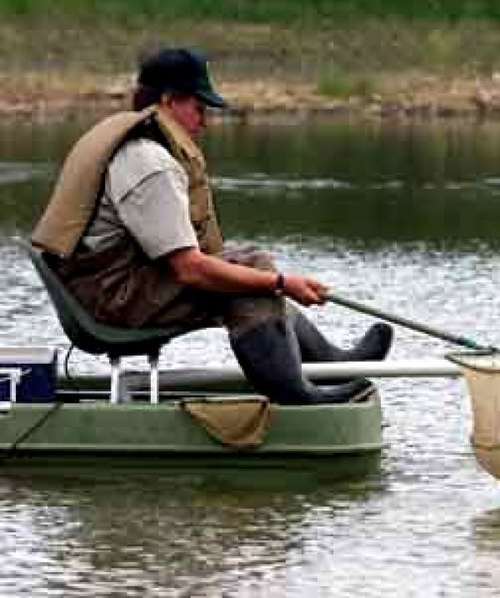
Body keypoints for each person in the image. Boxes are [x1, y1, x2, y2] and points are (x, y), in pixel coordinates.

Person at [30, 47, 392, 404]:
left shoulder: (136, 145)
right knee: (253, 275)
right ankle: (294, 395)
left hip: (102, 288)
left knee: (247, 261)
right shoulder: (149, 164)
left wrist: (274, 282)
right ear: (170, 101)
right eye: (200, 108)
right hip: (109, 303)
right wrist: (283, 283)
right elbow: (190, 270)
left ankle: (331, 363)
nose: (205, 121)